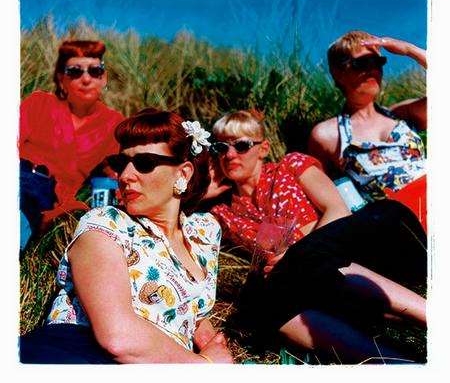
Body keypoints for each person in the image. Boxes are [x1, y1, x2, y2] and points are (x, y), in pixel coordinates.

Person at [207, 110, 426, 364]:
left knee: (315, 254)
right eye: (221, 148)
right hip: (313, 280)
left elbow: (337, 209)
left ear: (263, 148)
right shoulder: (223, 212)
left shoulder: (291, 165)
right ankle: (397, 364)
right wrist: (204, 189)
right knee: (261, 304)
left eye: (241, 146)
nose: (230, 155)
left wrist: (295, 253)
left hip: (354, 247)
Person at [20, 108, 233, 364]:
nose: (125, 176)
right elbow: (117, 336)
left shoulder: (204, 233)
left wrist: (212, 345)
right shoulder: (105, 222)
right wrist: (204, 366)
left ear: (183, 174)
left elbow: (192, 309)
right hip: (76, 352)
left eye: (144, 164)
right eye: (122, 164)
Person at [308, 31, 426, 227]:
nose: (373, 70)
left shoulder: (403, 114)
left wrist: (409, 50)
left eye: (378, 62)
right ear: (339, 73)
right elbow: (323, 195)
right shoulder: (328, 134)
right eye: (362, 63)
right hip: (402, 225)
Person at [19, 40, 124, 250]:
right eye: (75, 72)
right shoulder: (39, 103)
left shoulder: (113, 124)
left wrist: (102, 223)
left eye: (95, 71)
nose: (86, 79)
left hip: (42, 196)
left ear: (103, 78)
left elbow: (111, 177)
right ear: (61, 78)